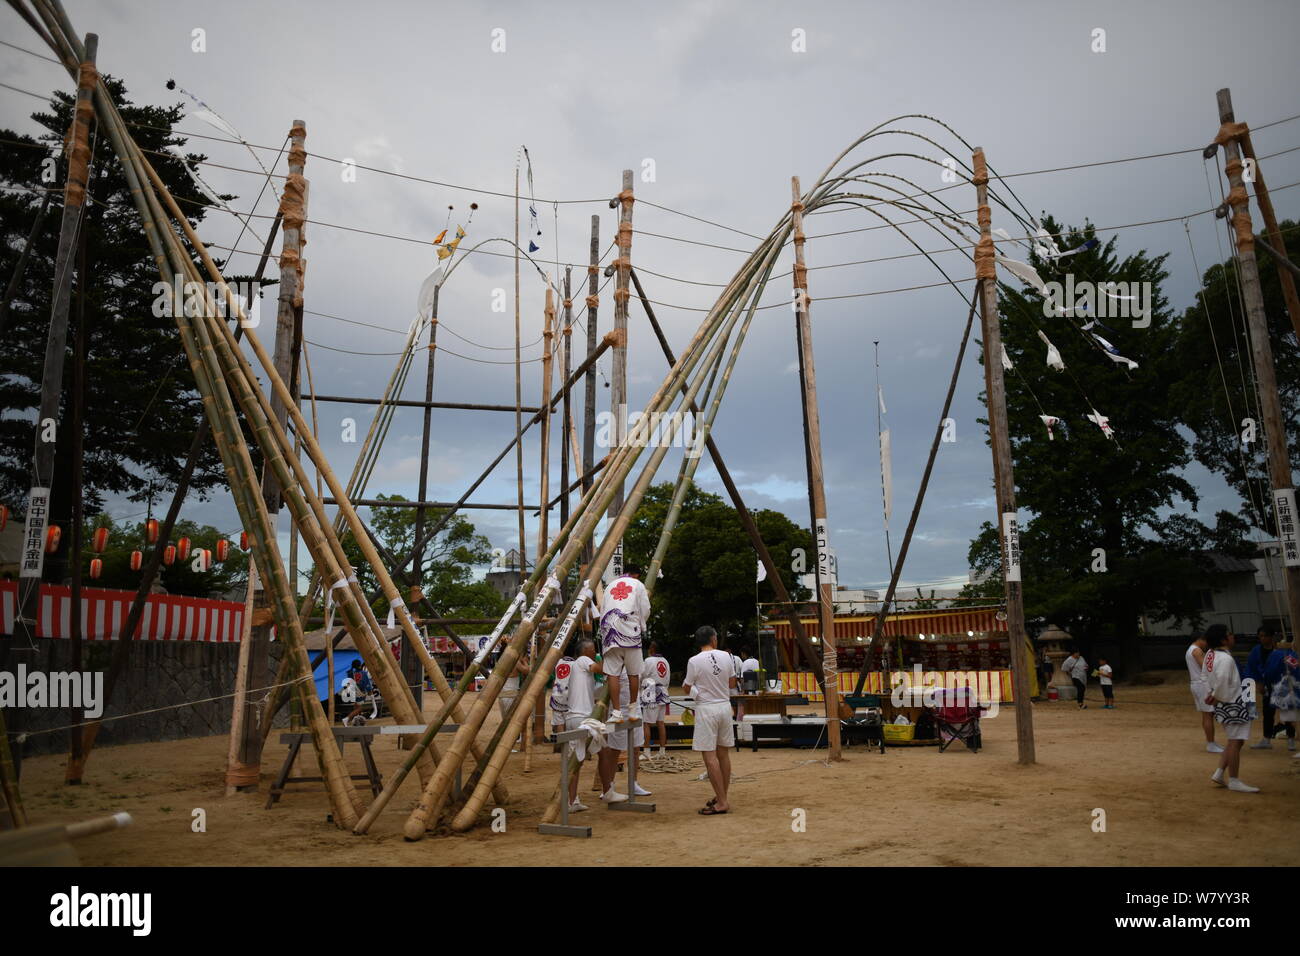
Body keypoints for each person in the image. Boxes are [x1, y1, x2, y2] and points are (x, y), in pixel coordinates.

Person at [684, 625, 736, 815]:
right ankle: (722, 796)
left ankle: (722, 802)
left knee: (710, 757)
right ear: (713, 639)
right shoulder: (726, 656)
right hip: (724, 706)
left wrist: (698, 692)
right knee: (723, 755)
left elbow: (686, 686)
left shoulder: (694, 661)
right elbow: (732, 683)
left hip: (706, 709)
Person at [1203, 624, 1260, 792]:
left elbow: (1205, 677)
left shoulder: (1210, 654)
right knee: (1235, 741)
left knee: (1236, 740)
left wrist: (1212, 694)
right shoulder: (1225, 658)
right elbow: (1221, 680)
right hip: (1233, 702)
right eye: (1229, 634)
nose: (1232, 636)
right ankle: (1234, 779)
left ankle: (1220, 772)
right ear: (1223, 639)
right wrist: (1216, 695)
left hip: (1225, 701)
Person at [562, 638, 614, 813]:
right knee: (600, 753)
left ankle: (573, 800)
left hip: (579, 717)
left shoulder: (580, 670)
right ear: (585, 651)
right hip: (581, 718)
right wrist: (610, 658)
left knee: (578, 759)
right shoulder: (583, 661)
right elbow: (601, 668)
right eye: (593, 650)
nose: (595, 653)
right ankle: (607, 792)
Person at [596, 563, 651, 723]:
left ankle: (617, 713)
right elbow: (645, 609)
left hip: (609, 634)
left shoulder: (610, 586)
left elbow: (603, 610)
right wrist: (642, 625)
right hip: (630, 632)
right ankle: (633, 710)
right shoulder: (638, 585)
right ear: (636, 575)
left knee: (613, 674)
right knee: (633, 673)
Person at [601, 674, 652, 798]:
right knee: (614, 750)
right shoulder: (614, 664)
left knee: (635, 748)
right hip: (617, 711)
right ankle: (609, 787)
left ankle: (633, 783)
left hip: (635, 709)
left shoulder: (636, 664)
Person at [1246, 626, 1293, 750]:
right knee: (1267, 713)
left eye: (1265, 636)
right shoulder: (1256, 651)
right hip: (1267, 685)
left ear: (1271, 637)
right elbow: (1252, 667)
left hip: (1283, 685)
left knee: (1287, 712)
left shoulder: (1282, 650)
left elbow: (1293, 664)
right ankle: (1266, 739)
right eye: (1260, 636)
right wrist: (1259, 683)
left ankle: (1291, 739)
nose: (1262, 638)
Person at [1186, 633, 1221, 752]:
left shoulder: (1191, 650)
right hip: (1201, 685)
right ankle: (1210, 743)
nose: (1206, 645)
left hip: (1196, 684)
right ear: (1200, 639)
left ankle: (1211, 742)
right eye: (1206, 641)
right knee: (1208, 714)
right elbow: (1206, 668)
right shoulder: (1196, 651)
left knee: (1207, 714)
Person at [639, 641, 671, 755]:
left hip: (651, 693)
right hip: (663, 692)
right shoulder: (665, 661)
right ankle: (662, 751)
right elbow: (667, 679)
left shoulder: (648, 661)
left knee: (646, 723)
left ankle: (647, 751)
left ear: (652, 649)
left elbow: (641, 676)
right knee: (660, 722)